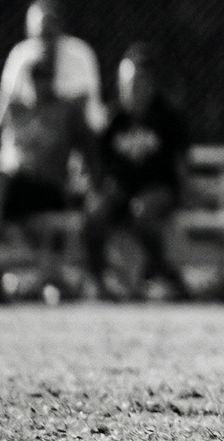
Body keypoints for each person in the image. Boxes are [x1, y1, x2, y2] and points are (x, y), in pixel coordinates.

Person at [82, 45, 193, 300]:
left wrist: (186, 193)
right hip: (122, 190)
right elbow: (99, 163)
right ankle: (99, 280)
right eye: (128, 82)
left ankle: (161, 273)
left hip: (159, 189)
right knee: (94, 213)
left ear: (151, 84)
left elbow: (180, 162)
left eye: (140, 82)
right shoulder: (112, 118)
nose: (133, 88)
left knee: (142, 211)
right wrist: (98, 190)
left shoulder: (168, 117)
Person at [0, 49, 100, 302]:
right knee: (2, 178)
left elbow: (91, 152)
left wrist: (90, 185)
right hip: (14, 192)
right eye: (35, 77)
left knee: (2, 181)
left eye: (45, 77)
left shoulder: (66, 111)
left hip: (49, 190)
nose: (40, 82)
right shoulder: (15, 109)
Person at [0, 0, 106, 131]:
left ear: (59, 27)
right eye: (40, 34)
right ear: (29, 31)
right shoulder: (20, 55)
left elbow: (83, 106)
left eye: (49, 32)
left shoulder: (80, 54)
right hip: (36, 136)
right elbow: (6, 102)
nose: (44, 40)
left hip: (77, 135)